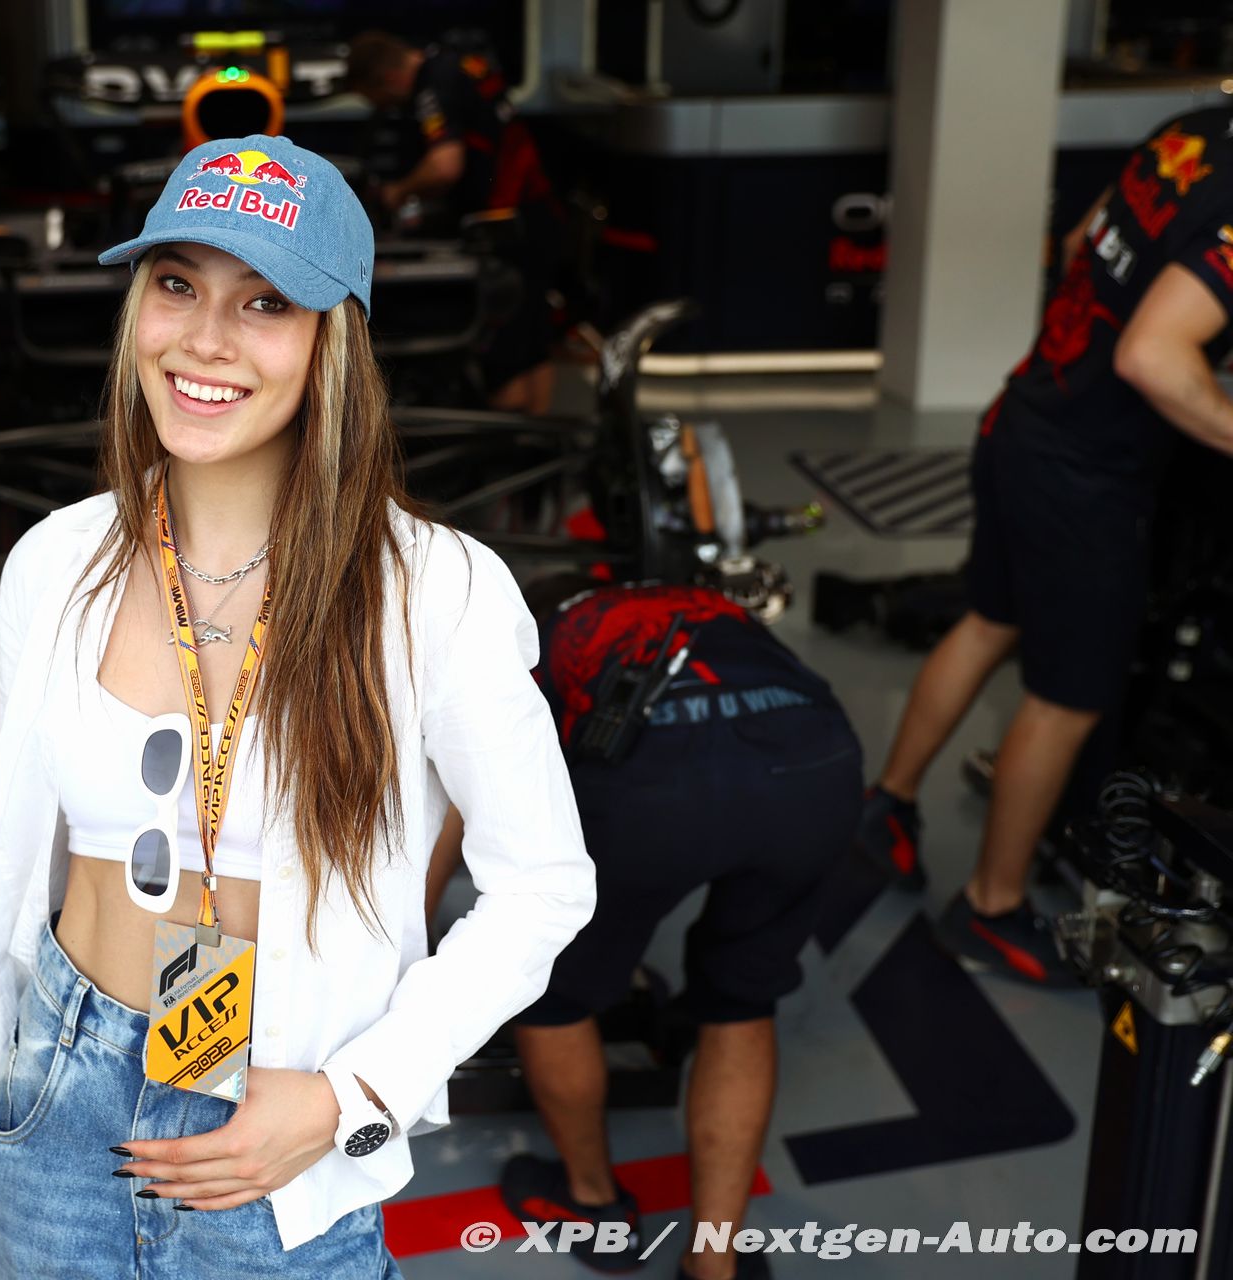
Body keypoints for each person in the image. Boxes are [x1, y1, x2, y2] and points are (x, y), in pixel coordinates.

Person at [0, 134, 598, 1278]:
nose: (205, 339)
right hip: (51, 1097)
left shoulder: (435, 590)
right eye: (176, 284)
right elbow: (4, 892)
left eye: (265, 302)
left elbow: (545, 886)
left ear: (334, 340)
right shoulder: (54, 561)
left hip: (271, 1132)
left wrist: (352, 1092)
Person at [857, 105, 1233, 985]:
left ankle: (888, 805)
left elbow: (1077, 245)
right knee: (1067, 701)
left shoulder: (1196, 130)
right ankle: (989, 909)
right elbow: (1152, 356)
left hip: (1026, 415)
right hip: (1086, 477)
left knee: (990, 619)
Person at [423, 576, 857, 1280]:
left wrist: (407, 942)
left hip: (655, 786)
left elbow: (453, 795)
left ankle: (594, 1206)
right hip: (814, 762)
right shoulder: (703, 604)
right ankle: (714, 1265)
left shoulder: (526, 633)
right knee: (742, 1001)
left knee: (547, 988)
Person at [345, 31, 564, 415]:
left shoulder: (434, 84)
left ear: (388, 78)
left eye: (380, 99)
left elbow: (445, 165)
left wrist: (397, 193)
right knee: (532, 343)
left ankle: (507, 443)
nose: (387, 108)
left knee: (508, 373)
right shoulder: (459, 62)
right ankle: (539, 442)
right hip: (533, 216)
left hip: (504, 228)